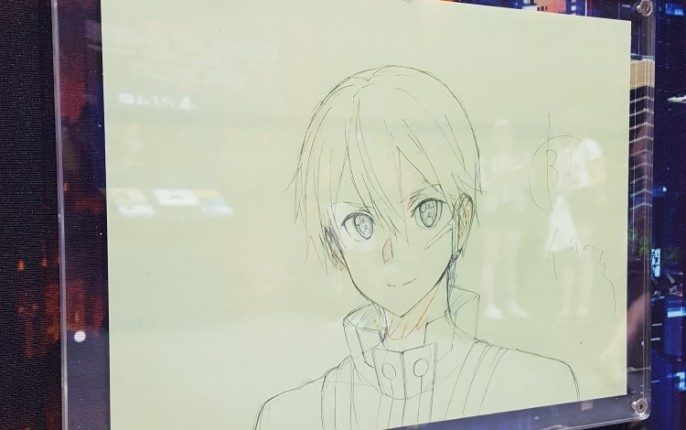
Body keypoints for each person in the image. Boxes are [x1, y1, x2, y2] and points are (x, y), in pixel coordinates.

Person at [256, 66, 579, 430]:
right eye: (362, 223)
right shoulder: (289, 415)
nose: (395, 248)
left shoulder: (540, 387)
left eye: (425, 211)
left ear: (462, 220)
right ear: (334, 244)